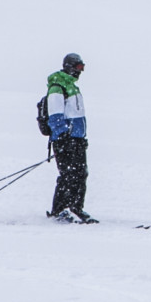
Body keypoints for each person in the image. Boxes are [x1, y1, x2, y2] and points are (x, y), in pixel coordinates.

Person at [46, 53, 94, 223]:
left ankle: (75, 208)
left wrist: (80, 137)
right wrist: (64, 137)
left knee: (80, 174)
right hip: (65, 140)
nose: (80, 71)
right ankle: (60, 210)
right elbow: (55, 115)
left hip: (77, 139)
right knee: (69, 175)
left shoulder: (72, 87)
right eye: (78, 67)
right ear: (69, 66)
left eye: (82, 68)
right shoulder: (57, 87)